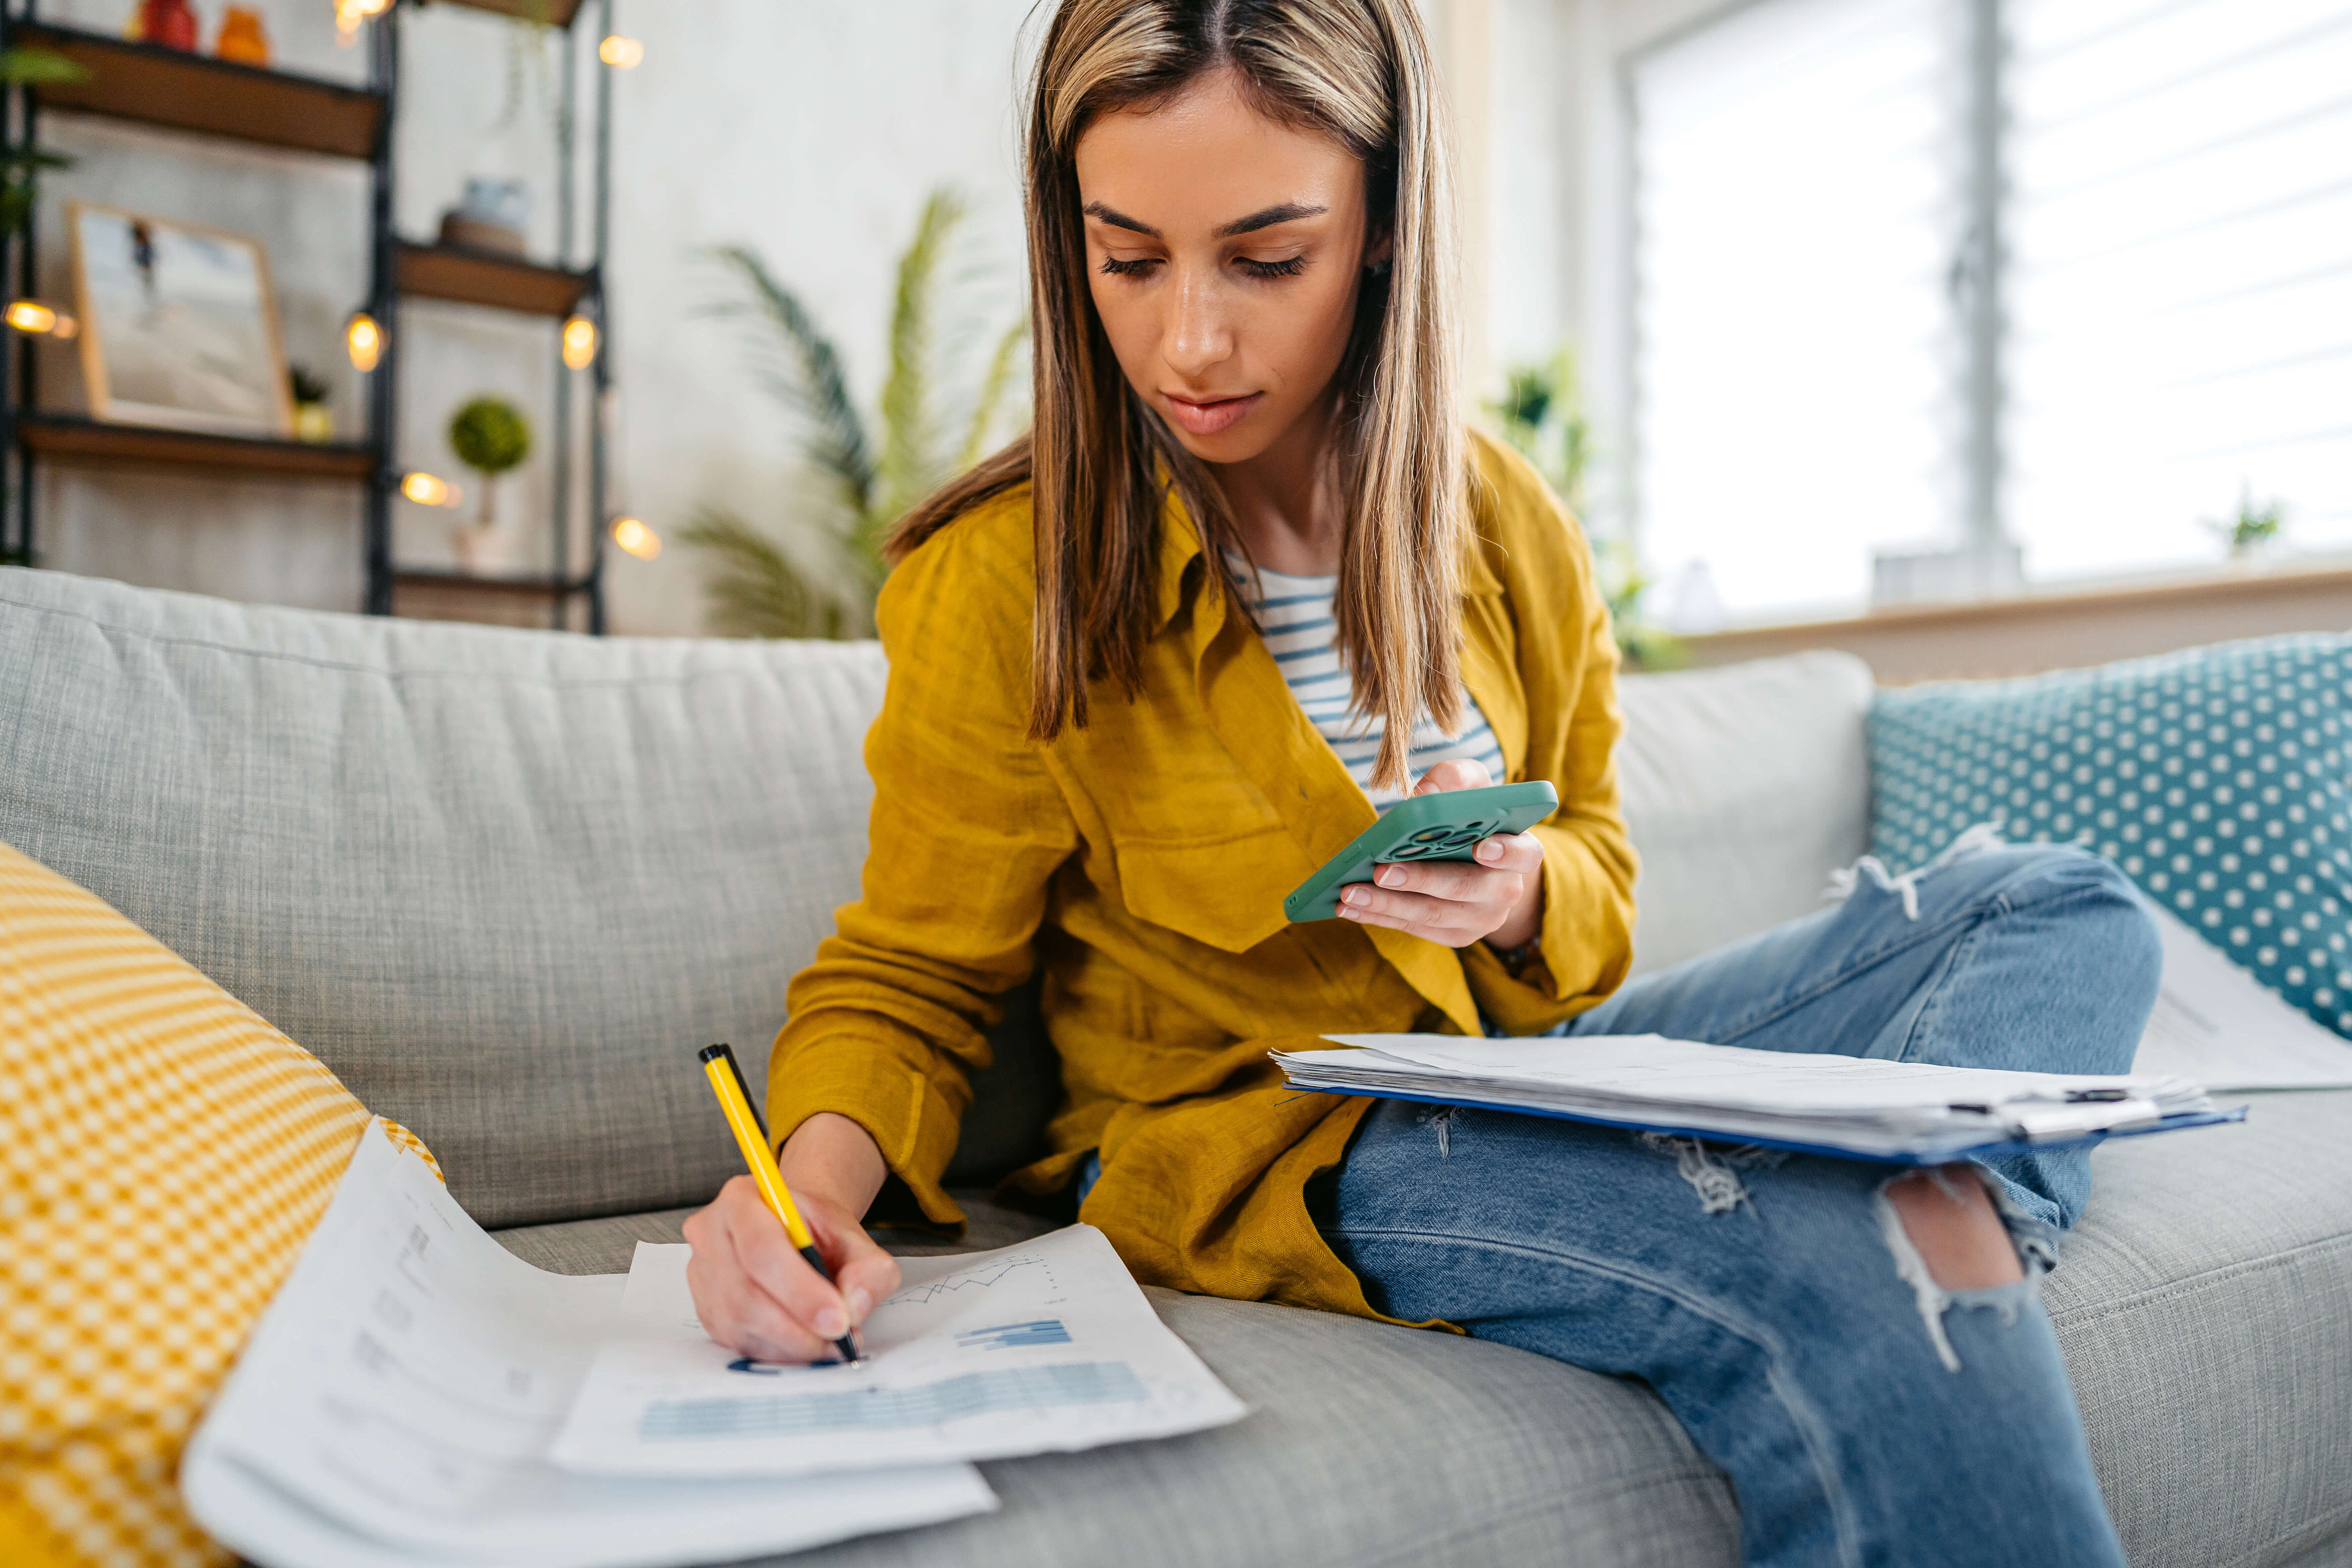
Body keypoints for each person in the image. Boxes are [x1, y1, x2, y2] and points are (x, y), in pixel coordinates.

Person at [681, 3, 2160, 1563]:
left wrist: (1525, 892)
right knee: (1850, 1242)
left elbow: (1596, 856)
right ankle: (1882, 1228)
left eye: (1266, 258)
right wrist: (798, 1196)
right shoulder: (1008, 577)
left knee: (2069, 907)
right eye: (1130, 259)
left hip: (1540, 1066)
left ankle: (1919, 1203)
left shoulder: (1506, 521)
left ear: (1383, 227)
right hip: (1277, 1136)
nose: (1191, 338)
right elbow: (908, 976)